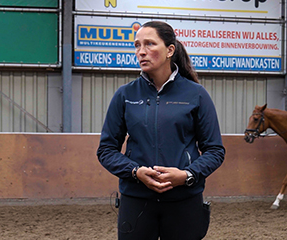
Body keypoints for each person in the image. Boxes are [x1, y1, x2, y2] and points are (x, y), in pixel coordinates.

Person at [96, 21, 225, 240]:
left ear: (170, 50)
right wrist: (136, 172)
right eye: (137, 45)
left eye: (149, 44)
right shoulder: (125, 95)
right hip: (136, 201)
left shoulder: (196, 94)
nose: (141, 52)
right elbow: (106, 150)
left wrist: (186, 175)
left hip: (184, 200)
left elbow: (214, 150)